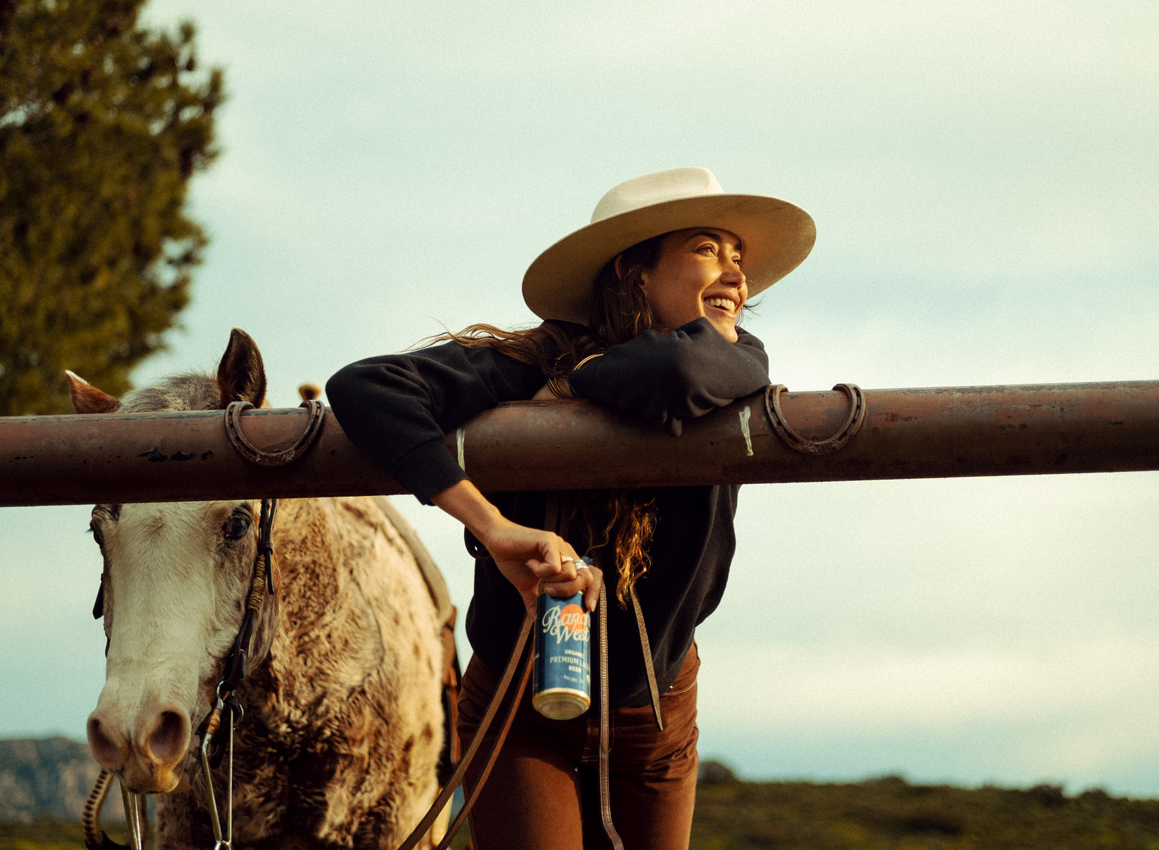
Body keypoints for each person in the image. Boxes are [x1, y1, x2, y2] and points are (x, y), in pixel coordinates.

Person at [325, 166, 815, 849]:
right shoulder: (528, 364)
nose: (737, 273)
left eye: (739, 256)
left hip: (657, 716)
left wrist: (581, 382)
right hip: (519, 710)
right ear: (634, 271)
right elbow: (367, 387)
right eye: (708, 248)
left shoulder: (733, 355)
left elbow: (677, 375)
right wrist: (492, 527)